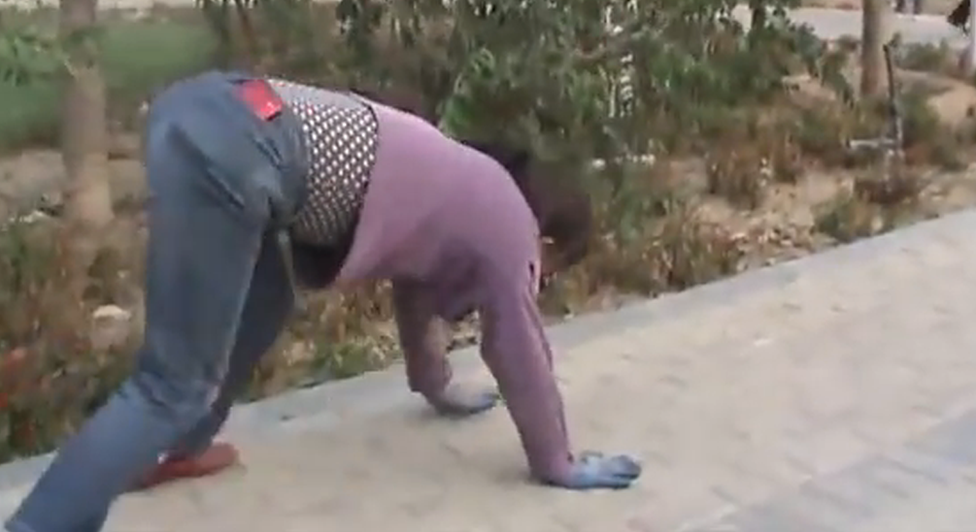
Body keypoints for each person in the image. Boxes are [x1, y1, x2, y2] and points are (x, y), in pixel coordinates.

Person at [4, 72, 641, 532]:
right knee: (171, 385)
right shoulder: (511, 226)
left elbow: (414, 297)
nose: (541, 276)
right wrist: (555, 460)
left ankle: (180, 448)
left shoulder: (460, 190)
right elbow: (517, 343)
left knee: (270, 295)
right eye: (552, 266)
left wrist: (436, 386)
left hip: (211, 107)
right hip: (236, 149)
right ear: (548, 238)